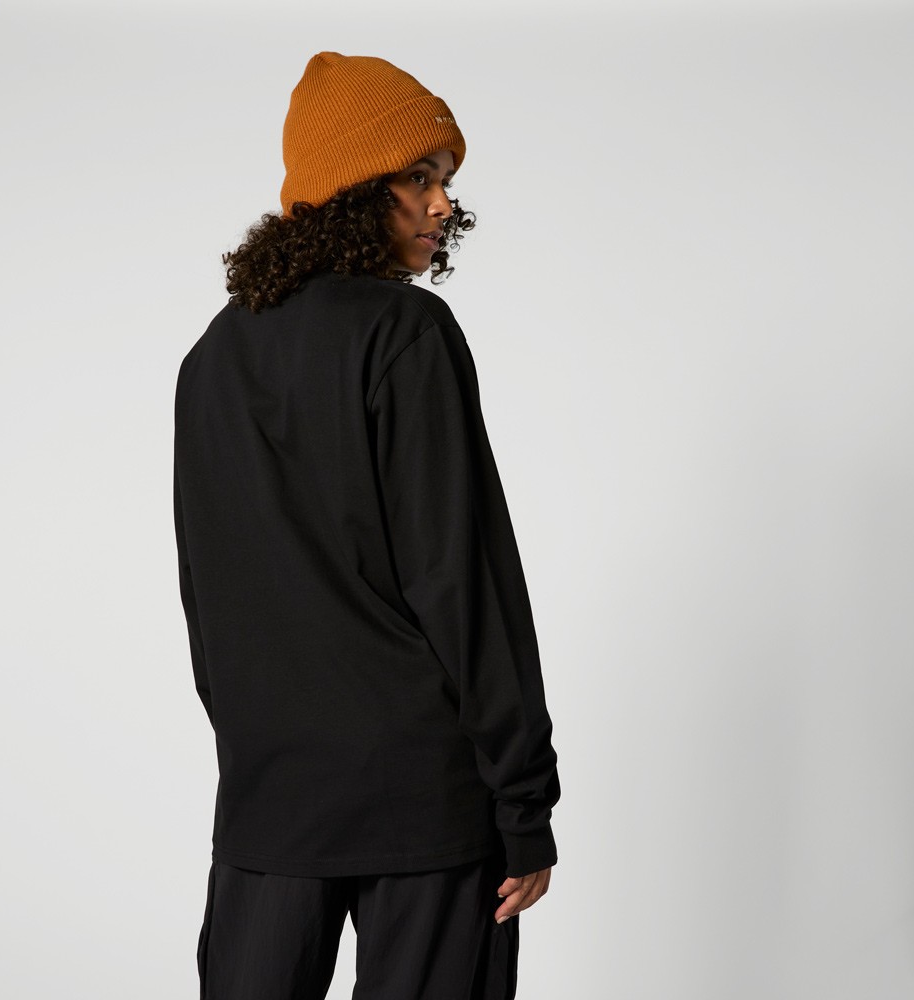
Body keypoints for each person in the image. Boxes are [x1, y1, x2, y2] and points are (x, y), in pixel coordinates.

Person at [172, 51, 561, 1000]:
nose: (443, 205)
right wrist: (523, 803)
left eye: (445, 182)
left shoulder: (212, 356)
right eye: (419, 177)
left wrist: (256, 751)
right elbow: (464, 581)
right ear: (353, 189)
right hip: (424, 803)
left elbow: (208, 602)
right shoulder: (406, 332)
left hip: (272, 802)